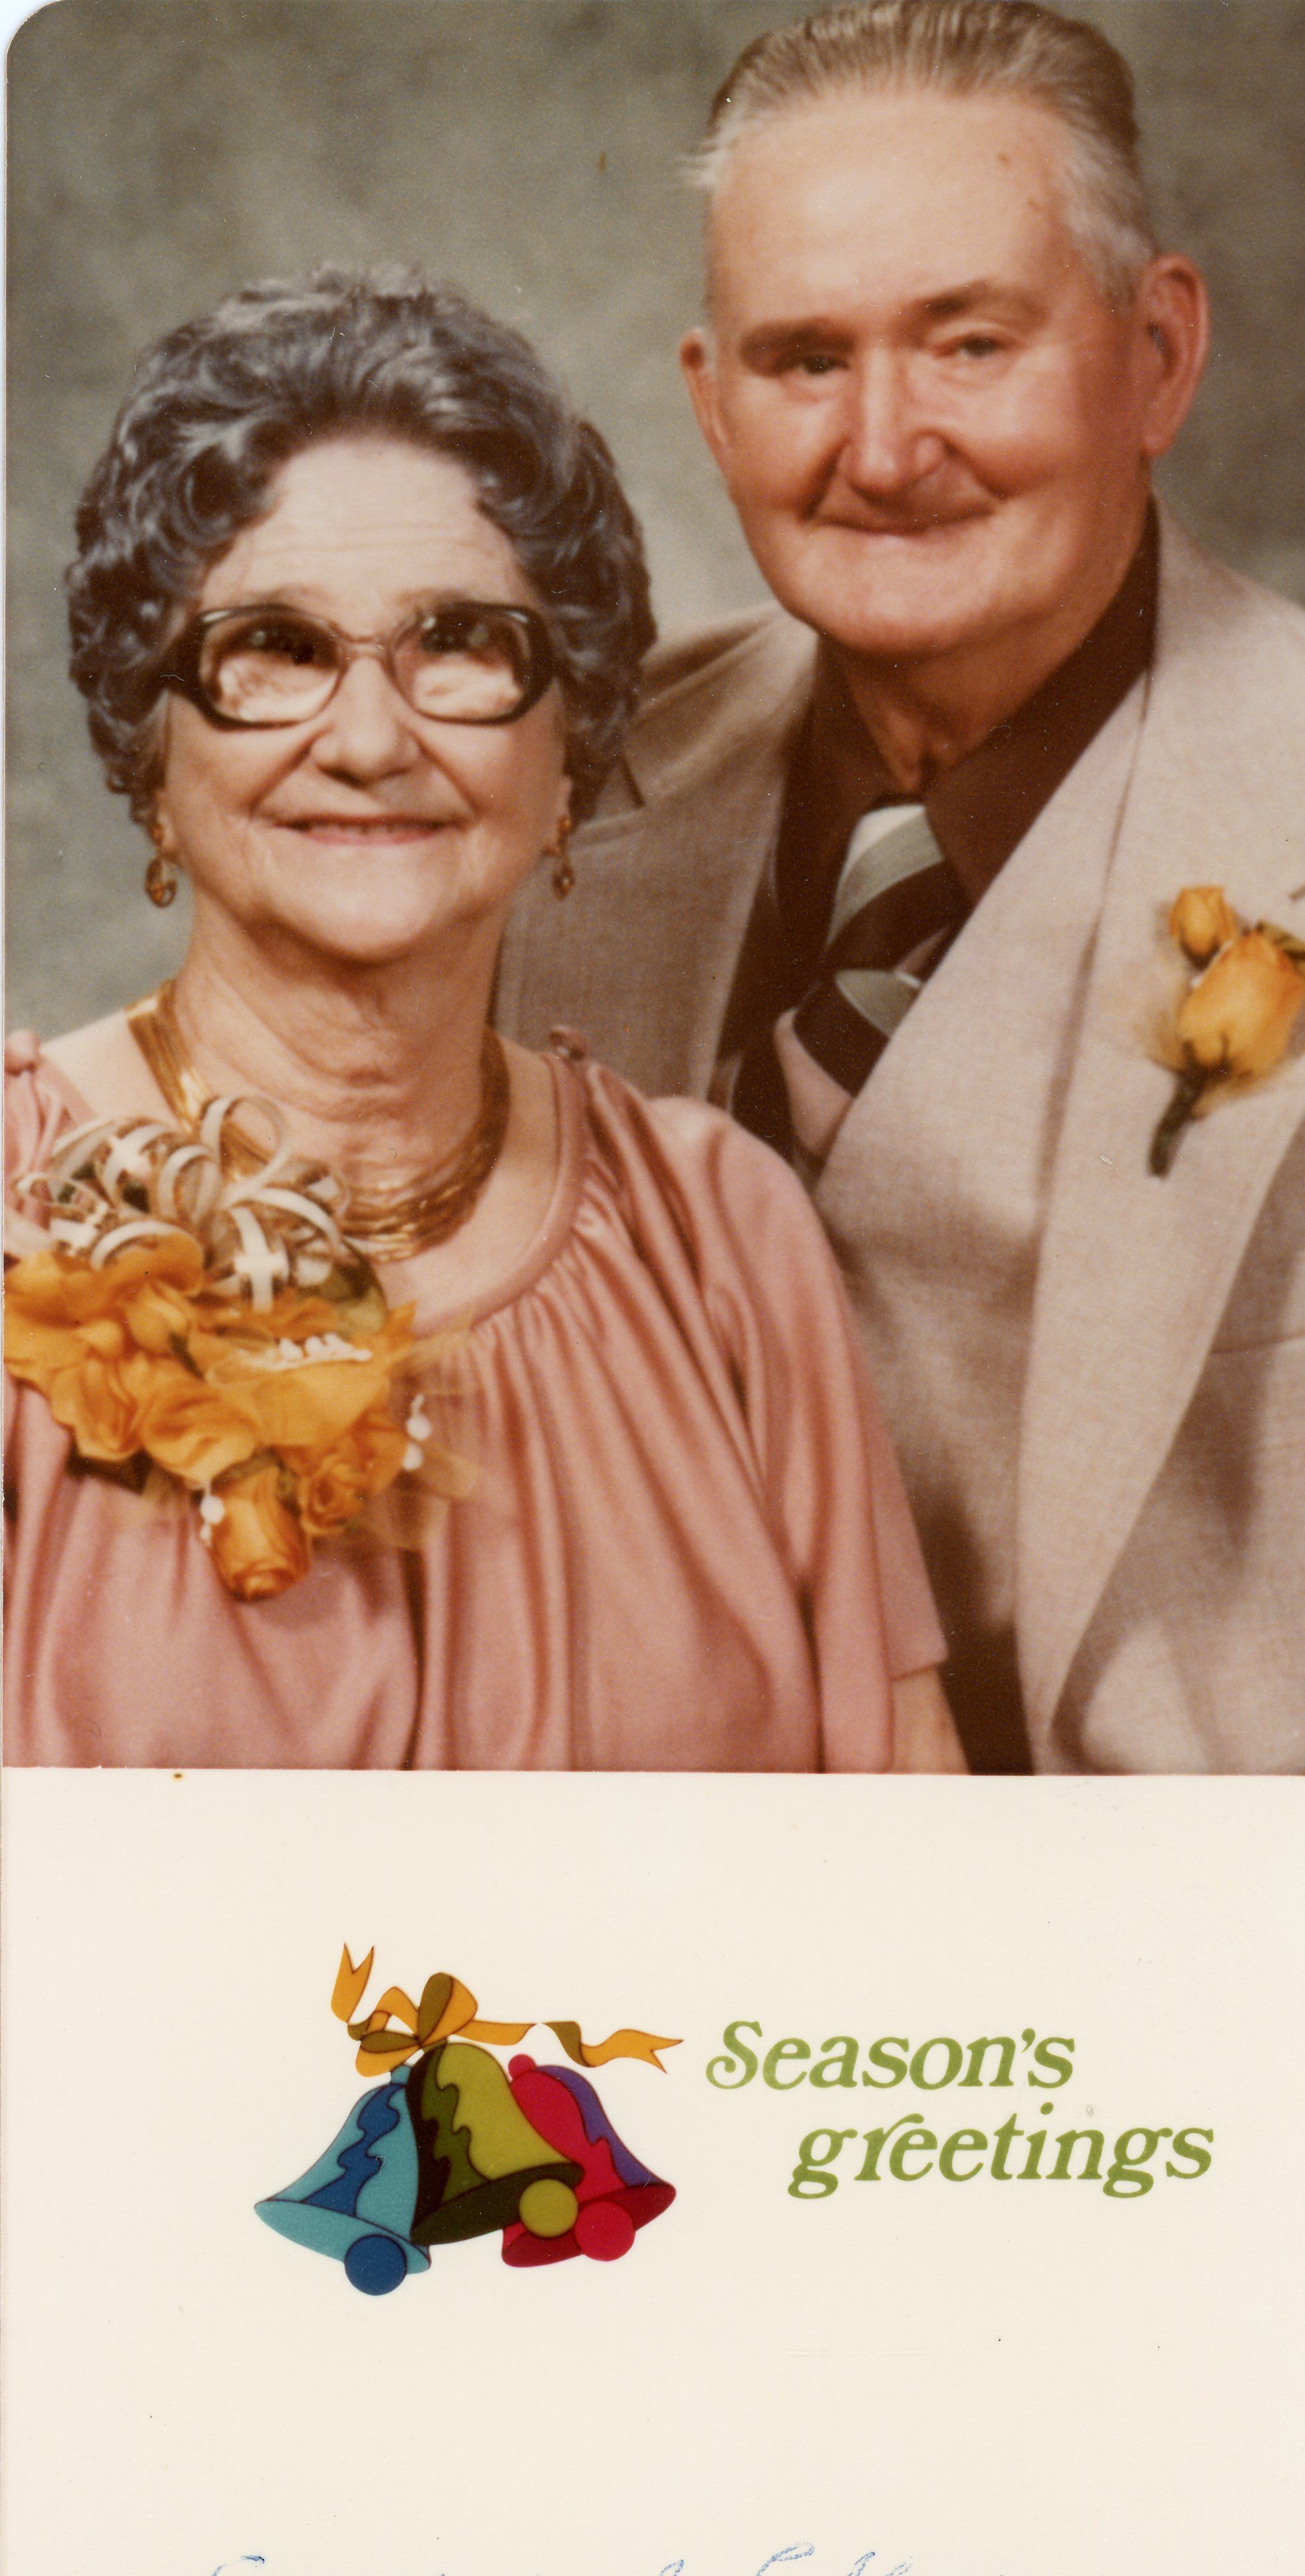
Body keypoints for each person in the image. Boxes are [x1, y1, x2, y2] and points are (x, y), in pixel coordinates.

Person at [3, 265, 963, 1773]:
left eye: (459, 643)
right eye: (277, 649)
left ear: (568, 749)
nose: (369, 738)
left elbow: (915, 1859)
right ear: (151, 743)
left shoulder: (722, 1240)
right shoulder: (13, 1229)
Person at [497, 0, 1305, 1776]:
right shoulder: (543, 789)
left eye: (968, 345)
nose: (879, 448)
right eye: (804, 361)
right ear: (710, 406)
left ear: (1156, 357)